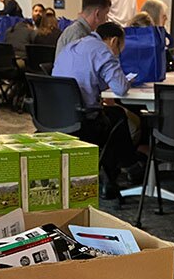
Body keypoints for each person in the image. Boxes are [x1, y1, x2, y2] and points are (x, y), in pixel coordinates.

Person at [53, 22, 139, 198]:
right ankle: (124, 170)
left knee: (112, 116)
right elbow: (121, 88)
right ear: (114, 41)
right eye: (120, 49)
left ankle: (125, 169)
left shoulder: (71, 46)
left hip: (55, 117)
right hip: (83, 122)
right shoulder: (103, 51)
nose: (118, 54)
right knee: (117, 117)